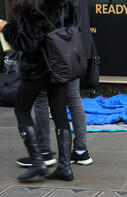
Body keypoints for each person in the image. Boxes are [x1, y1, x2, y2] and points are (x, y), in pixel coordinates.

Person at [0, 0, 78, 182]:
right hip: (60, 64)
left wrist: (5, 28)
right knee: (59, 112)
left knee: (21, 109)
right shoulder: (66, 4)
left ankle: (37, 162)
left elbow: (26, 44)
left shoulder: (29, 7)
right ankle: (65, 167)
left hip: (37, 68)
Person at [15, 0, 94, 167]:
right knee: (73, 99)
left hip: (56, 54)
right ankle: (80, 151)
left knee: (41, 100)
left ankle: (43, 151)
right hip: (74, 50)